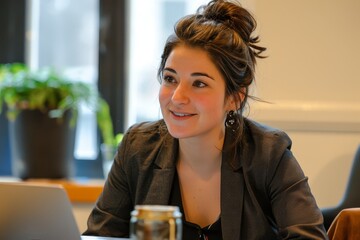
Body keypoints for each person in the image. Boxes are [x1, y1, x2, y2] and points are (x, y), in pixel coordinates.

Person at [84, 0, 328, 239]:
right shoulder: (137, 148)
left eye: (199, 83)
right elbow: (100, 236)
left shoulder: (268, 153)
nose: (178, 97)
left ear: (234, 98)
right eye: (170, 79)